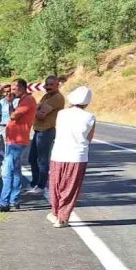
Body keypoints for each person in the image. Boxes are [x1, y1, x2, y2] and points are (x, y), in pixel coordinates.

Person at [48, 86, 96, 228]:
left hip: (59, 153)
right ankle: (62, 218)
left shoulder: (62, 113)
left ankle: (55, 213)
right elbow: (90, 137)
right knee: (70, 188)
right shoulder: (90, 117)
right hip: (77, 156)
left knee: (55, 185)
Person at [0, 79, 37, 212]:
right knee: (16, 170)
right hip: (12, 139)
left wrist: (11, 103)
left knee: (7, 172)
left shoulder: (27, 100)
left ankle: (4, 203)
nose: (12, 92)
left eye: (14, 89)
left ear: (23, 88)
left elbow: (13, 116)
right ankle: (14, 199)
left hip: (17, 141)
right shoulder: (23, 100)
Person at [28, 76, 65, 196]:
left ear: (57, 85)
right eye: (46, 85)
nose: (48, 87)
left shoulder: (57, 98)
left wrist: (32, 110)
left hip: (46, 131)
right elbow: (37, 109)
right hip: (38, 130)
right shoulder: (46, 96)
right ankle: (34, 184)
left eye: (51, 85)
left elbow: (41, 115)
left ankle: (41, 185)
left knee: (42, 160)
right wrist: (35, 109)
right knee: (32, 158)